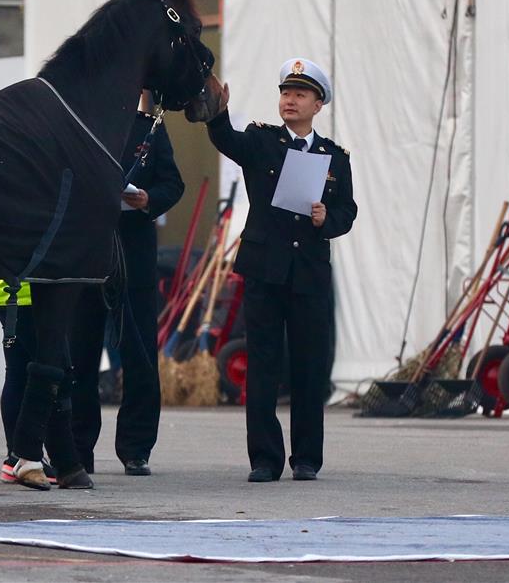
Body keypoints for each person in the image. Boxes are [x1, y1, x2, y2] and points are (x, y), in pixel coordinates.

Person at [203, 59, 357, 482]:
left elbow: (348, 209)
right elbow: (227, 141)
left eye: (300, 94)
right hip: (264, 269)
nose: (289, 100)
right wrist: (217, 114)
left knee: (309, 365)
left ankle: (306, 458)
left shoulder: (334, 157)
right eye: (285, 93)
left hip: (308, 273)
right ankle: (265, 459)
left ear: (318, 104)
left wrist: (329, 218)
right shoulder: (261, 141)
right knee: (264, 364)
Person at [71, 90, 185, 476]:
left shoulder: (149, 129)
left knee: (138, 354)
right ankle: (78, 447)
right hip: (90, 250)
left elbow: (174, 183)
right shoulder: (86, 122)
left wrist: (149, 199)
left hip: (134, 251)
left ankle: (136, 447)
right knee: (81, 353)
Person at [0, 279, 57, 486]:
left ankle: (15, 456)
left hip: (1, 291)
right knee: (43, 375)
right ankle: (23, 456)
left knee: (17, 373)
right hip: (29, 293)